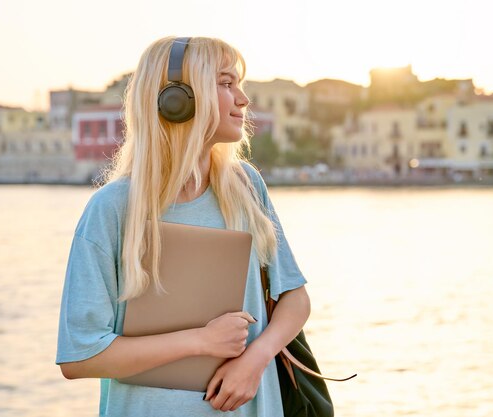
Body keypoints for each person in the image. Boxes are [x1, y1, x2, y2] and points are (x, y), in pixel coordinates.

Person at [55, 36, 311, 417]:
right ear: (177, 100)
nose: (243, 99)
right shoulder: (112, 209)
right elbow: (80, 358)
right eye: (226, 84)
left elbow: (295, 298)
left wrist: (254, 360)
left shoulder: (246, 187)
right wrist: (201, 341)